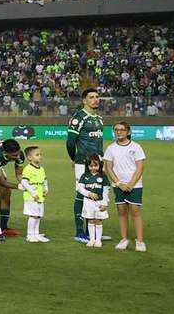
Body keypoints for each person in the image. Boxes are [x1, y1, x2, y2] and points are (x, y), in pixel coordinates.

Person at [67, 87, 105, 243]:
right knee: (82, 194)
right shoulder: (79, 117)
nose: (95, 99)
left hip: (98, 162)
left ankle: (93, 230)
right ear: (84, 101)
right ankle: (79, 231)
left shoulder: (99, 118)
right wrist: (74, 158)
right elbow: (70, 142)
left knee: (96, 193)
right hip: (83, 162)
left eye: (97, 97)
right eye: (91, 97)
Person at [103, 121, 146, 251]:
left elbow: (140, 167)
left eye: (122, 129)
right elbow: (108, 167)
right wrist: (118, 183)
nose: (119, 132)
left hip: (135, 185)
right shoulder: (111, 148)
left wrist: (131, 184)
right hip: (119, 185)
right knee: (121, 211)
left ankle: (139, 241)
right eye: (116, 130)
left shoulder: (136, 147)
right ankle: (124, 239)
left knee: (135, 211)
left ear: (128, 132)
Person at [77, 153, 110, 247]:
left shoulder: (103, 176)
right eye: (91, 166)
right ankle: (92, 239)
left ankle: (98, 240)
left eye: (96, 165)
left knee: (98, 220)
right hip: (88, 202)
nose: (93, 168)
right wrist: (89, 193)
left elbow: (106, 190)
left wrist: (105, 203)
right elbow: (80, 188)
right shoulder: (84, 176)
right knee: (90, 220)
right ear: (87, 166)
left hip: (99, 202)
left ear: (99, 165)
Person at [19, 145, 49, 243]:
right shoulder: (28, 169)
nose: (40, 156)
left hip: (40, 196)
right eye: (37, 155)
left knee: (38, 215)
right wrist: (33, 193)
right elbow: (24, 182)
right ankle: (30, 234)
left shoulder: (41, 169)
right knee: (33, 215)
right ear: (29, 158)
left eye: (40, 154)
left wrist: (46, 188)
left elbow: (44, 179)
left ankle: (36, 233)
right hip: (31, 197)